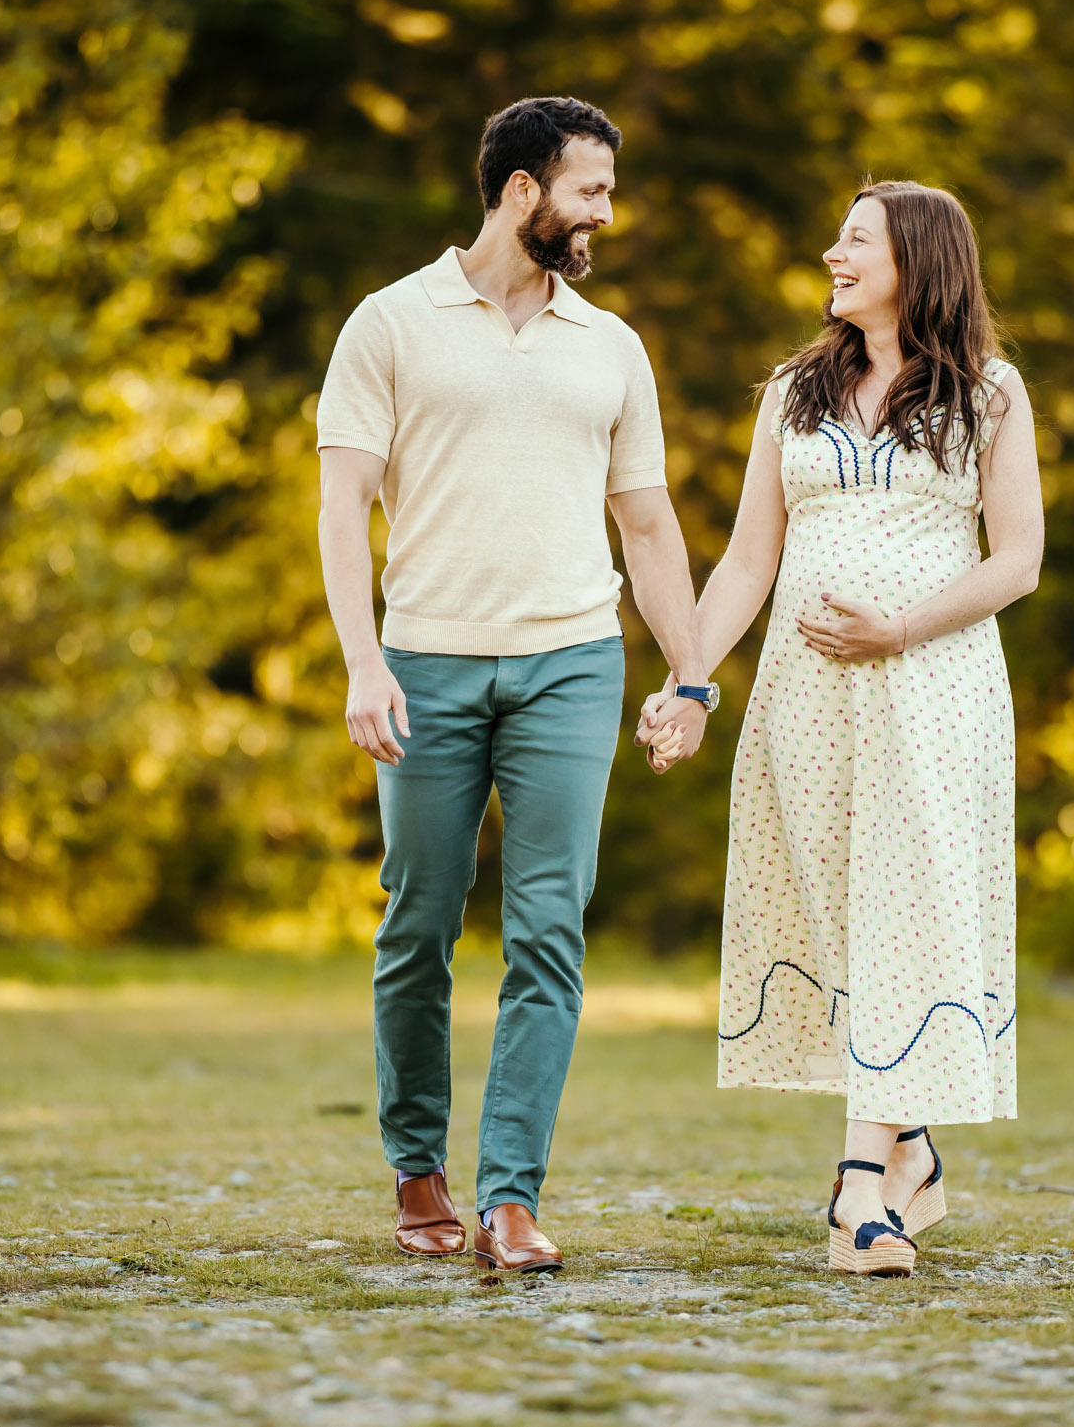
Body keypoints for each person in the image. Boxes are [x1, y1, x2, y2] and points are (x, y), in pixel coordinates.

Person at [316, 96, 712, 1275]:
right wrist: (362, 658)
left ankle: (511, 1196)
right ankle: (418, 1168)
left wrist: (690, 674)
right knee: (418, 921)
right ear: (523, 190)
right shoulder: (390, 323)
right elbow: (343, 504)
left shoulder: (612, 345)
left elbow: (646, 524)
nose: (605, 213)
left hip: (574, 664)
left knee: (549, 932)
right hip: (427, 662)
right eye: (590, 189)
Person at [637, 180, 1042, 1277]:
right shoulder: (791, 392)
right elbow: (749, 562)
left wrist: (899, 627)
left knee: (901, 908)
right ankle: (911, 1145)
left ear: (919, 257)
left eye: (855, 240)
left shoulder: (991, 395)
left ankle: (861, 1186)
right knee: (836, 914)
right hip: (805, 703)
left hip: (934, 693)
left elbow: (1017, 559)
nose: (831, 254)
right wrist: (690, 682)